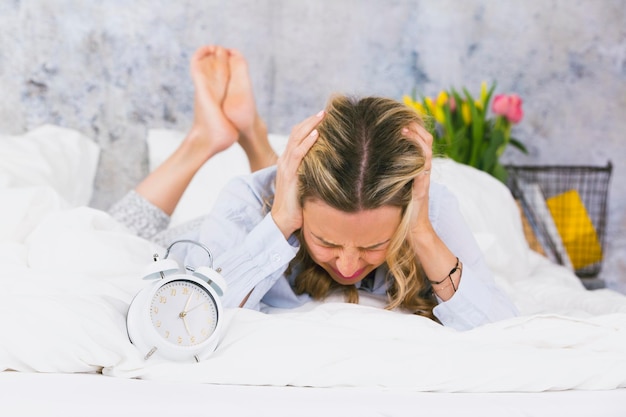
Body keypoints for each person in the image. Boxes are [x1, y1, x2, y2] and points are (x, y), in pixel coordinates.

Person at [110, 45, 518, 330]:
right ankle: (204, 139)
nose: (346, 267)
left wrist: (422, 235)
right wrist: (281, 221)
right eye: (327, 241)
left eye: (373, 246)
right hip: (201, 237)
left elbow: (504, 331)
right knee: (108, 234)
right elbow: (194, 316)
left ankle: (255, 136)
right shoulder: (247, 201)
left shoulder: (426, 210)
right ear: (298, 202)